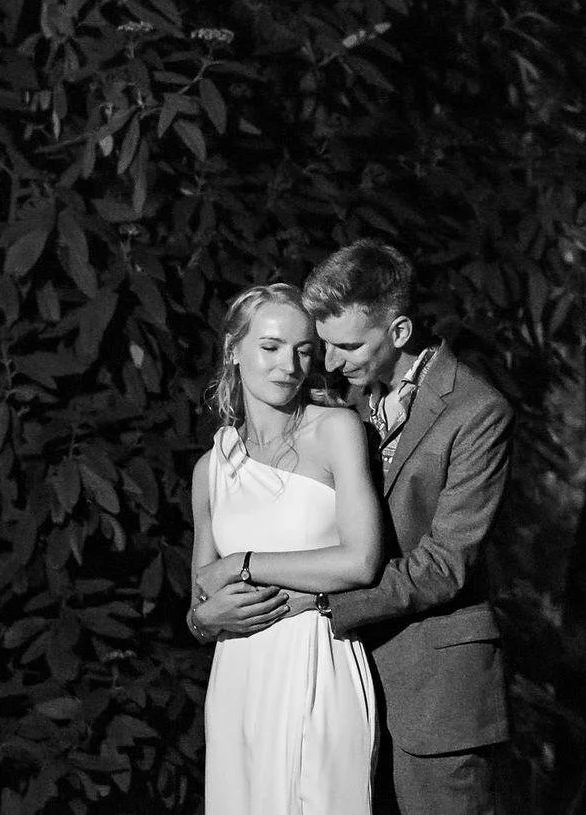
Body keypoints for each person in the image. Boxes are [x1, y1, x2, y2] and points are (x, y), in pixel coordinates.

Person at [192, 242, 515, 815]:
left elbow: (442, 566)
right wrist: (202, 615)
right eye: (326, 347)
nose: (329, 364)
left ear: (399, 331)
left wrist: (309, 600)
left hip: (432, 683)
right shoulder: (341, 397)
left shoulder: (476, 411)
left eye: (346, 347)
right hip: (326, 677)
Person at [189, 283, 385, 815]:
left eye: (303, 351)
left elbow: (362, 561)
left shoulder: (336, 431)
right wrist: (208, 621)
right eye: (270, 347)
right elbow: (200, 605)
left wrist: (245, 565)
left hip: (319, 659)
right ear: (235, 349)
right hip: (239, 675)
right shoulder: (212, 468)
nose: (289, 366)